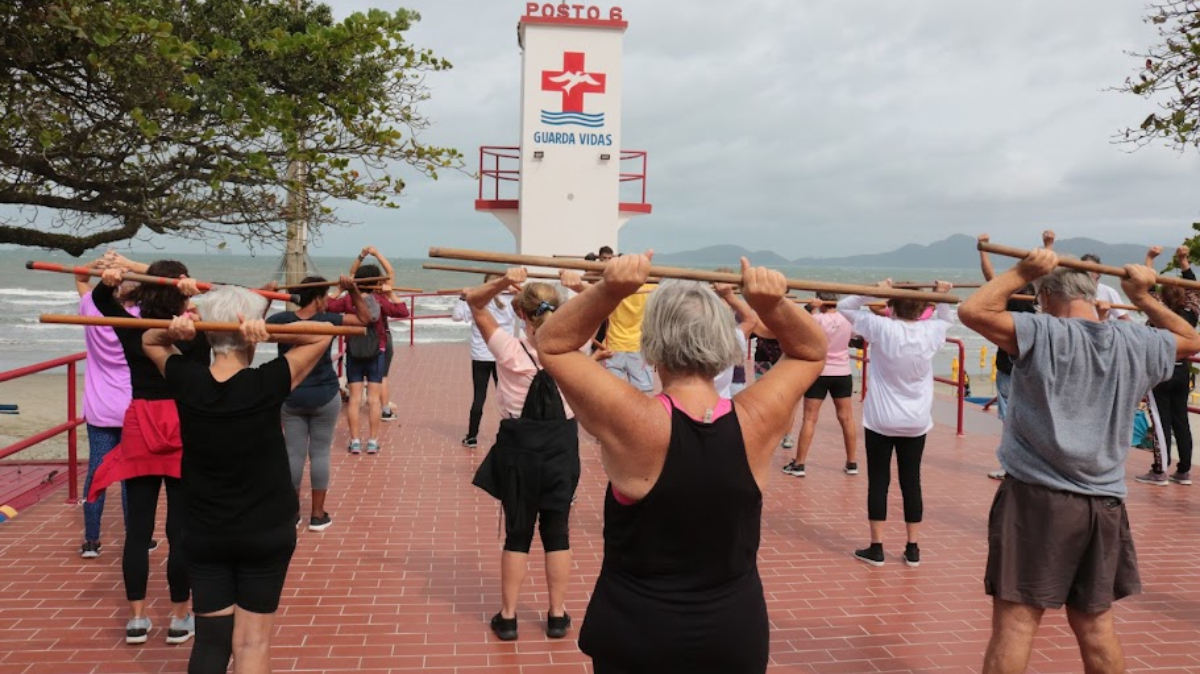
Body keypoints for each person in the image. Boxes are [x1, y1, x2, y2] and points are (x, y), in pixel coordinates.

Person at [538, 254, 828, 673]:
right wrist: (771, 304)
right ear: (725, 343)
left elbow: (553, 343)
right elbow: (809, 351)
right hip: (733, 634)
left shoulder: (636, 421)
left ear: (652, 344)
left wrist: (610, 289)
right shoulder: (756, 420)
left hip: (638, 633)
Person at [958, 248, 1200, 674]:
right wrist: (1143, 297)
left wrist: (1021, 271)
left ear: (1047, 296)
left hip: (1038, 500)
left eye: (1037, 297)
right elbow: (1193, 339)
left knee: (1016, 625)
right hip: (1104, 503)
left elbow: (973, 310)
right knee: (1095, 624)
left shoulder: (1041, 331)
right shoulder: (1136, 341)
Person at [141, 287, 335, 674]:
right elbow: (323, 332)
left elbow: (149, 338)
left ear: (211, 334)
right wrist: (272, 333)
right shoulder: (269, 381)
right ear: (249, 329)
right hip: (266, 529)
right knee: (252, 642)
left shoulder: (186, 379)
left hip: (205, 529)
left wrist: (182, 330)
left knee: (212, 641)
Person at [86, 261, 205, 646]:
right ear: (180, 291)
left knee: (138, 530)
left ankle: (137, 619)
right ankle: (179, 616)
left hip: (140, 423)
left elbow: (105, 302)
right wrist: (193, 300)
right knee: (180, 531)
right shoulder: (192, 330)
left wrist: (108, 285)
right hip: (181, 424)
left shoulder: (133, 327)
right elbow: (214, 348)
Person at [465, 270, 581, 642]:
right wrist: (579, 285)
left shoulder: (508, 348)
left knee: (518, 534)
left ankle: (510, 617)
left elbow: (475, 303)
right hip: (561, 447)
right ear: (559, 311)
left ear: (521, 314)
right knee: (557, 531)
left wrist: (502, 283)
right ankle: (558, 616)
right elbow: (603, 305)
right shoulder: (573, 347)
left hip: (519, 449)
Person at [838, 280, 955, 568]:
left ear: (890, 307)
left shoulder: (881, 327)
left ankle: (876, 548)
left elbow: (844, 306)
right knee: (910, 481)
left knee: (879, 481)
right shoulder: (931, 331)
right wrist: (941, 295)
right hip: (915, 421)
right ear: (921, 310)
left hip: (881, 419)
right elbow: (946, 317)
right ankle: (912, 548)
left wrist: (873, 290)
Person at [267, 276, 371, 531]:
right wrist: (354, 291)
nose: (328, 301)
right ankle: (317, 514)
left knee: (293, 454)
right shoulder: (326, 321)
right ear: (317, 298)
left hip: (290, 394)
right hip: (324, 394)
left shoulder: (282, 321)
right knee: (320, 453)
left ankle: (291, 514)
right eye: (325, 296)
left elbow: (253, 327)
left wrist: (267, 298)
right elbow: (364, 319)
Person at [75, 252, 142, 559]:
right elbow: (168, 285)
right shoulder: (142, 317)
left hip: (100, 409)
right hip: (131, 408)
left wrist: (98, 266)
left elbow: (79, 278)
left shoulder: (92, 308)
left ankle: (91, 540)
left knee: (97, 474)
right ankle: (137, 538)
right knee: (132, 477)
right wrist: (129, 266)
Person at [330, 263, 409, 454]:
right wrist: (390, 294)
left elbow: (327, 305)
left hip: (354, 352)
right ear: (376, 282)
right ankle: (372, 442)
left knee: (355, 399)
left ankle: (355, 441)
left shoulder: (348, 300)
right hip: (376, 352)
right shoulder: (380, 300)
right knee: (374, 399)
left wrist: (340, 289)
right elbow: (402, 311)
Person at [979, 233, 1040, 480]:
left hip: (1019, 364)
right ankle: (1018, 465)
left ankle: (1015, 466)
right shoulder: (1031, 294)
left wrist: (982, 249)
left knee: (1011, 419)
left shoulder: (1020, 293)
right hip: (1018, 364)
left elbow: (990, 278)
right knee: (1021, 417)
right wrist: (982, 249)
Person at [1135, 245, 1197, 487]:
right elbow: (1193, 286)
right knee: (1181, 420)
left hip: (1161, 372)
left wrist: (1149, 258)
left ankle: (1160, 470)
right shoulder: (1191, 312)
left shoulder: (1159, 310)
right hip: (1183, 371)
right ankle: (1183, 471)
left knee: (1162, 422)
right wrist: (1184, 261)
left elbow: (1146, 287)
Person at [782, 292, 859, 478]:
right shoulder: (848, 318)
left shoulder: (815, 319)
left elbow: (795, 325)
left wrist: (809, 308)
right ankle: (852, 462)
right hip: (842, 373)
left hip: (819, 372)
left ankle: (800, 464)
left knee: (809, 418)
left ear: (819, 299)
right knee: (847, 418)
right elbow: (858, 339)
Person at [451, 275, 518, 448]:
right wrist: (518, 292)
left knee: (479, 396)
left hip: (482, 355)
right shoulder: (509, 300)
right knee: (508, 397)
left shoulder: (477, 300)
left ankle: (472, 437)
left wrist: (463, 297)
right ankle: (514, 435)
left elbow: (457, 316)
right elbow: (531, 307)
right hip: (502, 354)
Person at [351, 246, 405, 422]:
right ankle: (385, 409)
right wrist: (376, 254)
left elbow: (351, 274)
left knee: (358, 377)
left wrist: (361, 256)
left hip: (357, 339)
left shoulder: (354, 295)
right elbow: (390, 271)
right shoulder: (382, 295)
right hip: (381, 339)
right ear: (378, 281)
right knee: (382, 376)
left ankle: (372, 402)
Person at [597, 246, 655, 393]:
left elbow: (590, 281)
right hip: (636, 347)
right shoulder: (650, 287)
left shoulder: (613, 285)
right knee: (643, 395)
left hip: (614, 347)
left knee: (610, 394)